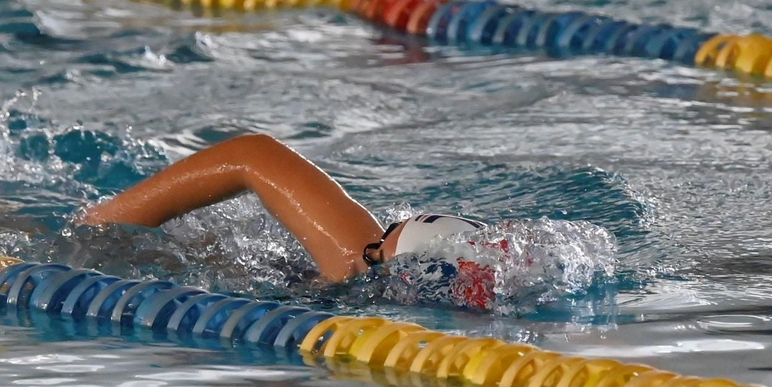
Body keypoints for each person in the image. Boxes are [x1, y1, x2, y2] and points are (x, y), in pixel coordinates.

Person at [79, 133, 498, 304]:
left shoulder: (359, 265)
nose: (366, 246)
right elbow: (251, 154)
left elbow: (253, 153)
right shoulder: (356, 258)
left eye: (378, 244)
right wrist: (103, 220)